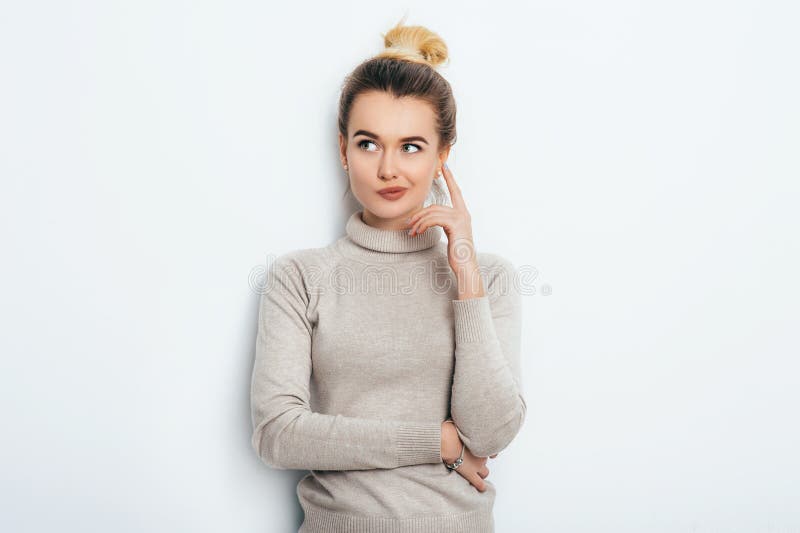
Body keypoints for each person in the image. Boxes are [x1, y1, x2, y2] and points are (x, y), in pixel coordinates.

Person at [250, 17, 526, 533]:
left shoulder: (490, 277)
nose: (388, 170)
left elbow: (488, 434)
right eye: (368, 143)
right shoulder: (300, 277)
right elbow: (278, 435)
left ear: (443, 155)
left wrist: (465, 275)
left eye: (412, 146)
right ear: (343, 149)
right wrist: (438, 443)